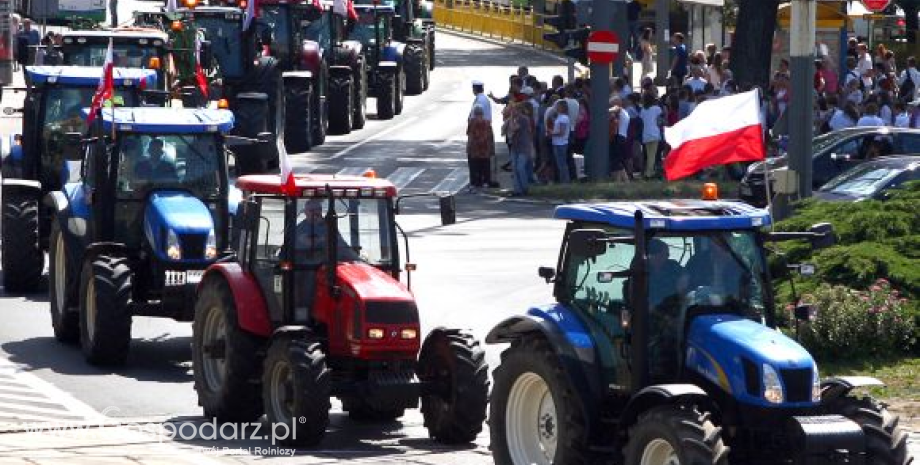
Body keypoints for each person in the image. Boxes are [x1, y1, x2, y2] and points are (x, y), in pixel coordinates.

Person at [507, 102, 534, 196]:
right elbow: (508, 131)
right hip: (515, 146)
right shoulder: (515, 119)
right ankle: (517, 189)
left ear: (519, 110)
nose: (512, 111)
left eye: (513, 110)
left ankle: (524, 187)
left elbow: (513, 128)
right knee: (514, 168)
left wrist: (510, 117)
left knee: (520, 167)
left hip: (523, 146)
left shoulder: (523, 119)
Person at [466, 104, 494, 191]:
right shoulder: (487, 123)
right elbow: (490, 136)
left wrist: (468, 147)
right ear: (482, 113)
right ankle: (485, 181)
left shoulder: (472, 123)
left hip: (475, 148)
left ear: (474, 113)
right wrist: (492, 148)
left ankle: (474, 182)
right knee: (485, 164)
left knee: (474, 165)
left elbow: (470, 135)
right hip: (485, 147)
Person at [639, 93, 663, 179]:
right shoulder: (657, 109)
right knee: (652, 155)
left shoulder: (642, 110)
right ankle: (648, 174)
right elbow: (660, 119)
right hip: (655, 134)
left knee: (649, 154)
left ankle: (650, 172)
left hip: (645, 134)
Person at [550, 99, 571, 183]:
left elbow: (562, 132)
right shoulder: (559, 117)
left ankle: (565, 181)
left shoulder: (564, 118)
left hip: (561, 143)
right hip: (557, 142)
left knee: (562, 164)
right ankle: (563, 180)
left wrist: (552, 133)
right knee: (560, 163)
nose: (556, 107)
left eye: (557, 106)